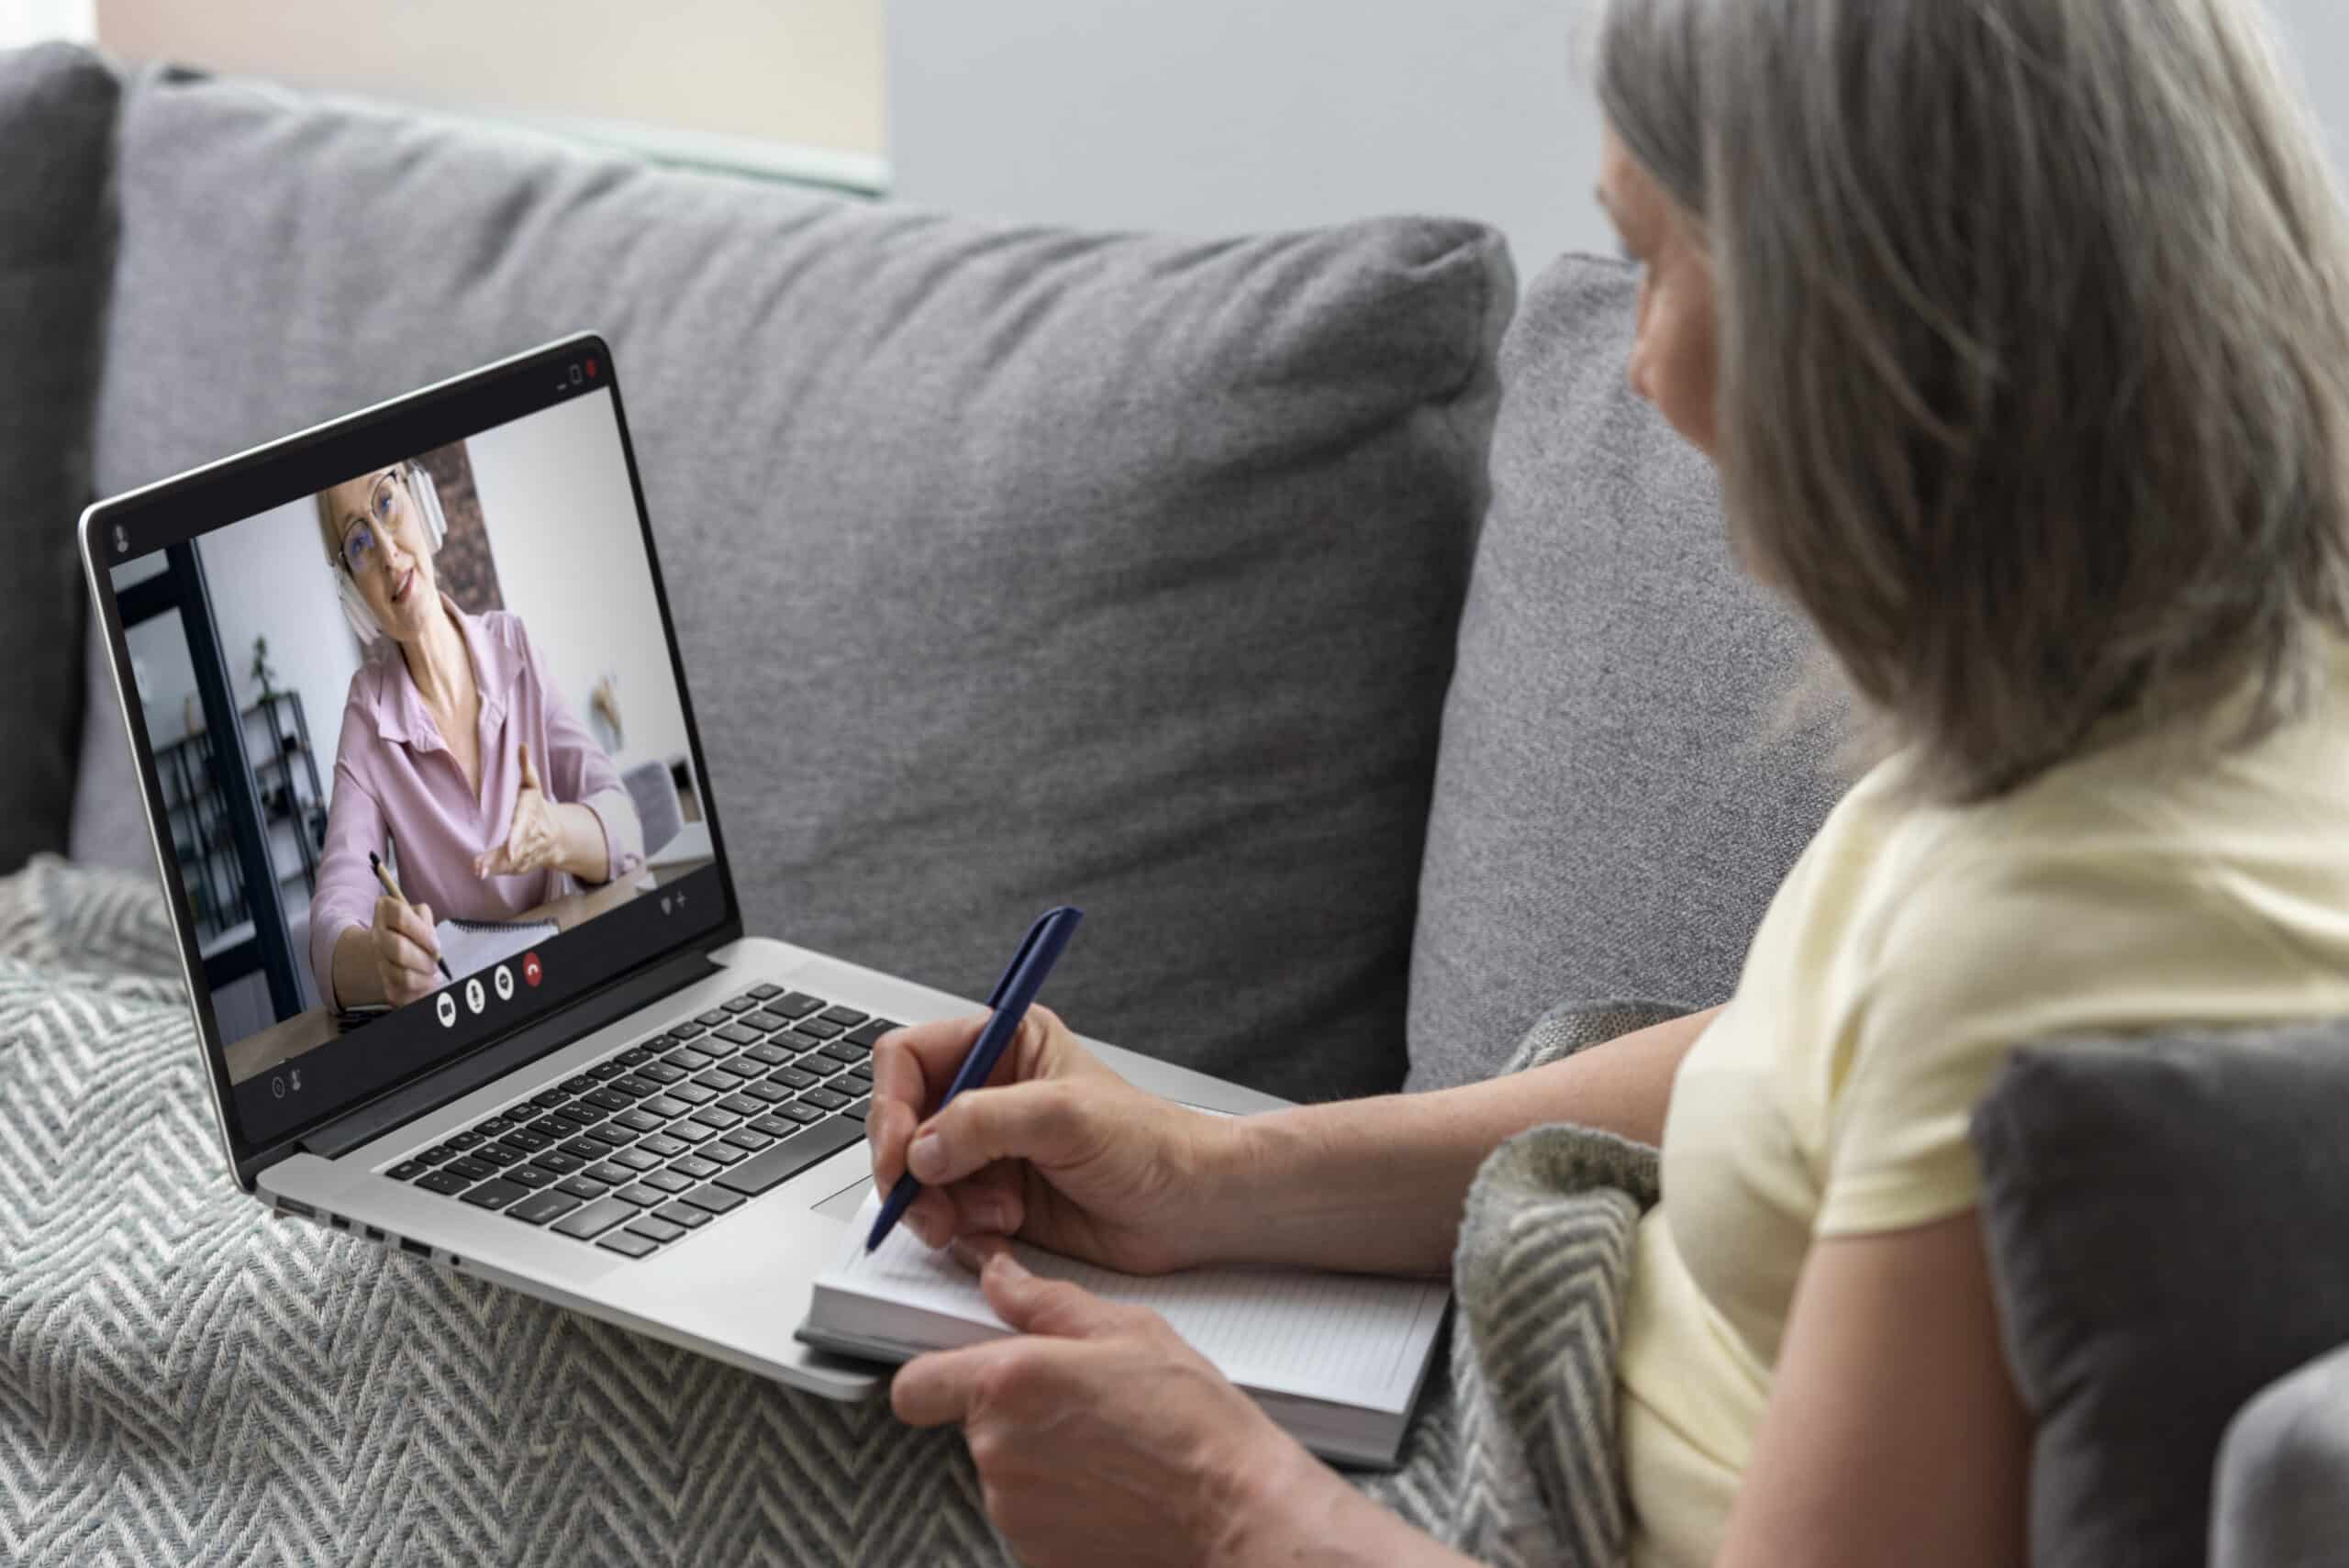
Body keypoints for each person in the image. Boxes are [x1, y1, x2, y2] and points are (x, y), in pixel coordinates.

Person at [860, 1, 2349, 1564]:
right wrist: (1209, 1175)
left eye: (1659, 258)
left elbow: (1940, 1033)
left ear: (1874, 313)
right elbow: (1803, 1058)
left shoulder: (2054, 932)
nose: (1635, 366)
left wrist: (1225, 1504)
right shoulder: (2201, 696)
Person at [306, 461, 643, 1009]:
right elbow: (330, 924)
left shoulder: (513, 644)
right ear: (353, 591)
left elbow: (625, 823)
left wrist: (554, 833)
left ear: (423, 502)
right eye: (359, 543)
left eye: (387, 502)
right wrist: (376, 961)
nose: (389, 553)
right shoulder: (368, 714)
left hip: (578, 988)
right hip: (470, 1022)